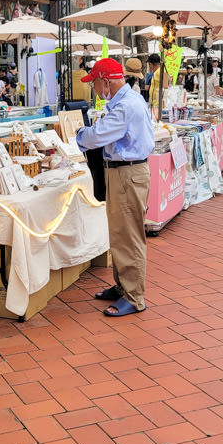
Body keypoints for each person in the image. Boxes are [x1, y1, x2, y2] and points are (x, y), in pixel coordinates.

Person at [75, 58, 154, 317]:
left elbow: (98, 136)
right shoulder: (124, 102)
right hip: (122, 173)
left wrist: (78, 135)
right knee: (119, 234)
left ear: (105, 81)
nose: (95, 90)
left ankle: (133, 297)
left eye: (95, 83)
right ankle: (123, 287)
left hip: (127, 174)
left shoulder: (125, 106)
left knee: (129, 237)